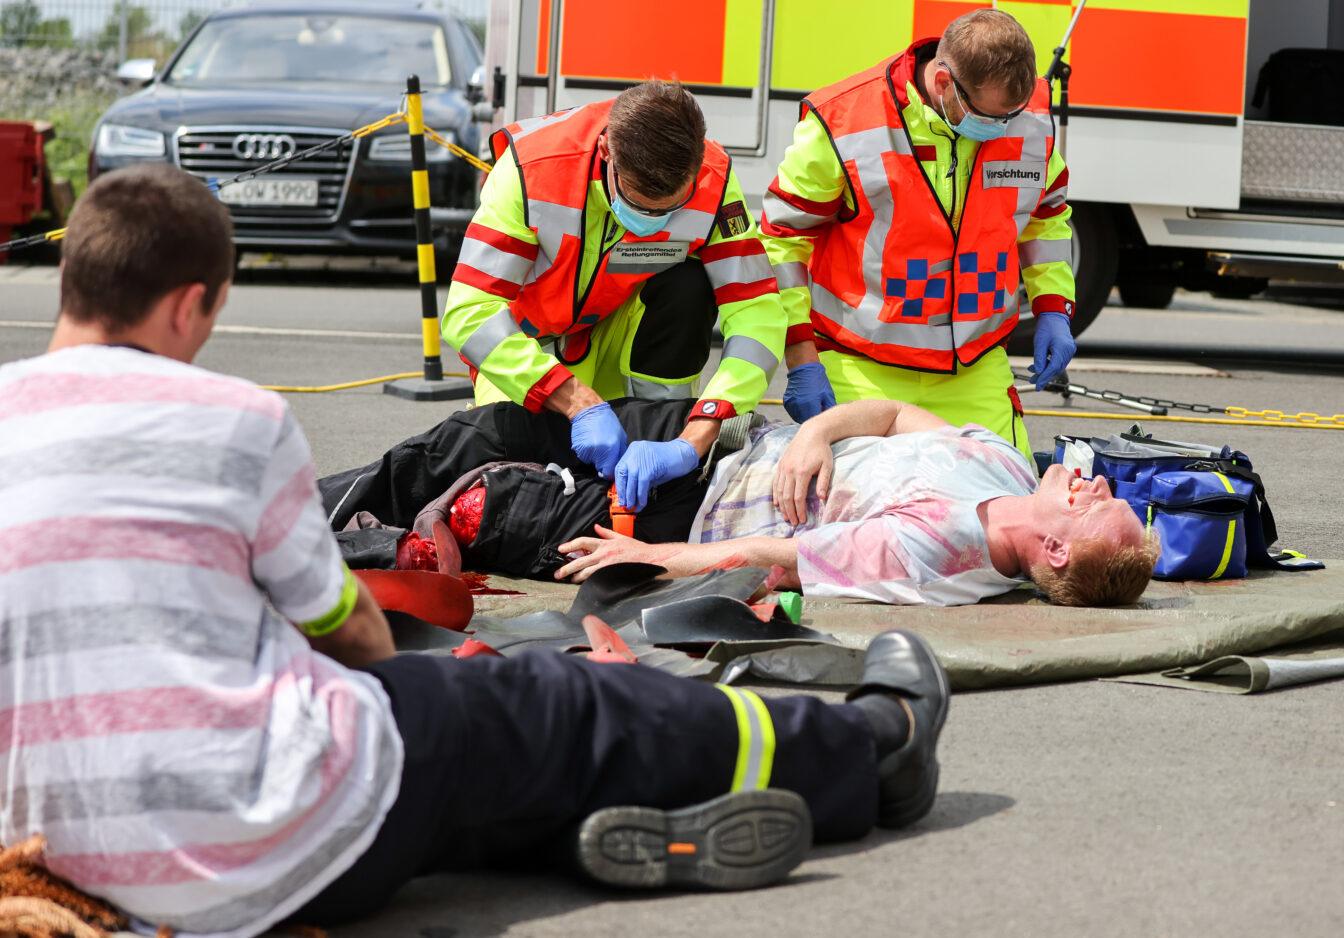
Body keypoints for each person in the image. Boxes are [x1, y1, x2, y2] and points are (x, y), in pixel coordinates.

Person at [0, 163, 952, 937]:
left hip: (49, 848)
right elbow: (346, 630)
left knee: (474, 768)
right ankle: (876, 748)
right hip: (266, 851)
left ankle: (586, 830)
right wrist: (430, 681)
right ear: (190, 305)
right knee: (545, 704)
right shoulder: (235, 421)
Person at [321, 398, 1158, 608]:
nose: (1093, 482)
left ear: (1053, 552)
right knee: (484, 431)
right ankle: (299, 514)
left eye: (1093, 507)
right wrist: (816, 435)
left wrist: (649, 559)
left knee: (479, 508)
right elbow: (895, 416)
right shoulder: (1007, 464)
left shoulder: (936, 554)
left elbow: (771, 560)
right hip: (720, 448)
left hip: (682, 516)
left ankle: (301, 539)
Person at [444, 79, 786, 512]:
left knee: (689, 282)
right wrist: (578, 402)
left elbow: (755, 308)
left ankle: (661, 421)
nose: (655, 220)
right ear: (607, 152)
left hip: (619, 337)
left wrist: (700, 431)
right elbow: (470, 312)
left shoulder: (714, 182)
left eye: (672, 207)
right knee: (514, 487)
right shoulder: (532, 169)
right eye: (641, 205)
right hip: (529, 356)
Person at [758, 9, 1077, 463]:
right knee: (861, 520)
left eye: (1011, 116)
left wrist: (1053, 308)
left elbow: (1046, 216)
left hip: (974, 366)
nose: (1002, 129)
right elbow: (783, 238)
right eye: (989, 117)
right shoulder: (845, 121)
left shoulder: (1025, 117)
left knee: (1008, 511)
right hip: (862, 365)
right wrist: (800, 355)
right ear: (944, 82)